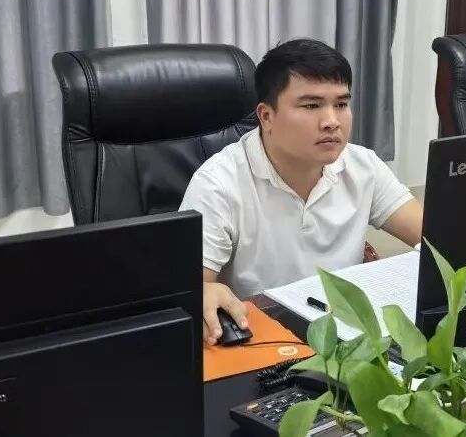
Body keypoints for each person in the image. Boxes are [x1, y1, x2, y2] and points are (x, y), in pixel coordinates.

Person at [180, 39, 423, 345]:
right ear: (266, 116)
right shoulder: (218, 184)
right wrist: (207, 291)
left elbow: (441, 241)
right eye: (311, 106)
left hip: (346, 340)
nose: (331, 122)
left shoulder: (363, 165)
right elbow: (193, 291)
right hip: (263, 342)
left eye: (341, 104)